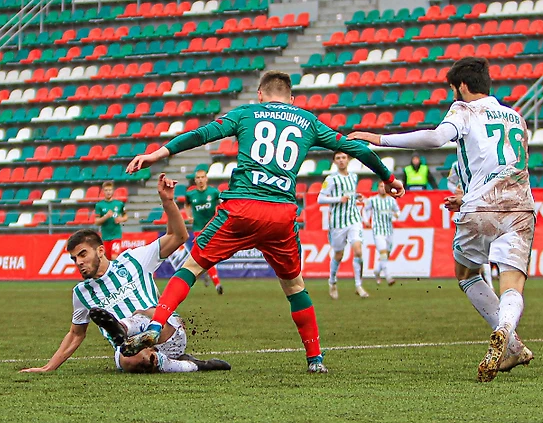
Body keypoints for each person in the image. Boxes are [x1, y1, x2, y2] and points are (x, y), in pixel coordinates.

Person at [125, 70, 405, 373]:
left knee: (191, 268)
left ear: (259, 94)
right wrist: (388, 178)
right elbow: (355, 148)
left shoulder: (246, 113)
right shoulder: (307, 120)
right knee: (295, 286)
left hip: (241, 208)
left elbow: (202, 134)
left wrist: (158, 153)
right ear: (292, 98)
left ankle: (156, 325)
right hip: (281, 215)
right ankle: (315, 360)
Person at [350, 57, 535, 382]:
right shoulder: (517, 117)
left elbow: (437, 138)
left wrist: (380, 139)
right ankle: (509, 332)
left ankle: (511, 341)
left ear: (462, 87)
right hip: (521, 206)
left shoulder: (464, 110)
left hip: (481, 206)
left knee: (466, 273)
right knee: (512, 283)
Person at [21, 174, 231, 375]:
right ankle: (192, 365)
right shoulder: (81, 293)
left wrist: (167, 201)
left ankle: (121, 328)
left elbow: (178, 236)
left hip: (165, 332)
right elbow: (76, 335)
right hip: (134, 351)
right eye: (75, 259)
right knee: (129, 359)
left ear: (101, 251)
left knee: (144, 313)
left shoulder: (133, 259)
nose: (79, 262)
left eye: (83, 254)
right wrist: (48, 367)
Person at [319, 151, 369, 299]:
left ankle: (358, 285)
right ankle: (332, 281)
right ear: (334, 162)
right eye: (338, 158)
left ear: (348, 160)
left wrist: (356, 196)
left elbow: (349, 194)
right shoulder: (331, 179)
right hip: (337, 222)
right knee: (338, 255)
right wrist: (338, 199)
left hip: (353, 219)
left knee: (358, 251)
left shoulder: (353, 177)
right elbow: (320, 199)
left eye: (344, 158)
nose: (341, 160)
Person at [447, 162, 493, 289]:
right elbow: (450, 182)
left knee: (484, 250)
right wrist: (455, 190)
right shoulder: (456, 165)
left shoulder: (484, 159)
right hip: (465, 208)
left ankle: (488, 284)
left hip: (480, 206)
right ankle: (485, 283)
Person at [185, 169, 224, 294]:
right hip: (198, 229)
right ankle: (217, 284)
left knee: (209, 256)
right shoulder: (191, 194)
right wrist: (188, 216)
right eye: (198, 178)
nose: (200, 180)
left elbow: (222, 204)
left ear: (206, 178)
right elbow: (186, 205)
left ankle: (206, 272)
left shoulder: (213, 192)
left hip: (211, 228)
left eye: (202, 177)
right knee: (206, 255)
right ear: (195, 180)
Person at [362, 182, 400, 286]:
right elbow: (364, 210)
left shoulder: (391, 200)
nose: (382, 189)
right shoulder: (373, 200)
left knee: (386, 254)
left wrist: (396, 216)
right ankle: (388, 277)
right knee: (383, 253)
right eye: (380, 186)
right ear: (378, 188)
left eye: (384, 187)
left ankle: (377, 271)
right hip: (378, 230)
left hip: (389, 231)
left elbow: (397, 211)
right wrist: (366, 220)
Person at [94, 181, 128, 260]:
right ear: (103, 191)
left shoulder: (119, 204)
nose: (108, 192)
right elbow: (96, 222)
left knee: (114, 257)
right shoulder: (99, 205)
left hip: (116, 235)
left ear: (113, 191)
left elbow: (125, 216)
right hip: (105, 236)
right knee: (108, 259)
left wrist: (121, 219)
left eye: (110, 190)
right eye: (106, 190)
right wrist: (106, 216)